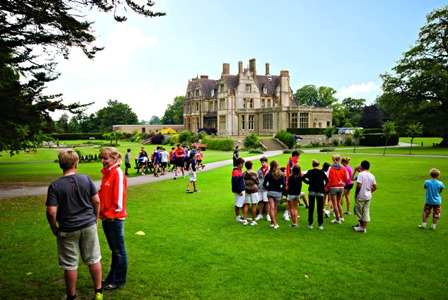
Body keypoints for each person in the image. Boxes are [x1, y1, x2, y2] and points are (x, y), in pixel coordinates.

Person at [46, 149, 103, 300]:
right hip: (88, 225)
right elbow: (96, 201)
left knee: (70, 264)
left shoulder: (55, 186)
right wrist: (95, 219)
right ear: (76, 164)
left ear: (61, 165)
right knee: (93, 259)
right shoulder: (86, 179)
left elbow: (51, 212)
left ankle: (71, 296)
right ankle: (98, 292)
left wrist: (53, 228)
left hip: (67, 229)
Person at [99, 147, 128, 290]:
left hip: (114, 219)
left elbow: (120, 199)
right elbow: (101, 194)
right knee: (114, 249)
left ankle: (119, 280)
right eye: (102, 158)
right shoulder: (107, 173)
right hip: (106, 217)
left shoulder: (117, 173)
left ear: (114, 159)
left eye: (105, 158)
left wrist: (111, 215)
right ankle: (112, 276)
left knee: (119, 250)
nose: (102, 161)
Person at [302, 159, 328, 230]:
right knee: (320, 208)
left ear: (312, 165)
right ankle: (320, 224)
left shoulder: (310, 172)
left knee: (311, 208)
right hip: (320, 191)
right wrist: (324, 186)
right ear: (319, 165)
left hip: (312, 190)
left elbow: (303, 177)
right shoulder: (321, 172)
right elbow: (327, 180)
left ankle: (310, 223)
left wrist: (308, 182)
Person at [353, 160, 377, 233]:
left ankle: (361, 226)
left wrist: (356, 193)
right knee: (366, 211)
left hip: (361, 196)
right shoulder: (372, 175)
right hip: (368, 196)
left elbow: (359, 185)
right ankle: (363, 228)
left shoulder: (361, 174)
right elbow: (375, 187)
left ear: (362, 166)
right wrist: (369, 191)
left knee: (358, 210)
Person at [263, 160, 286, 229]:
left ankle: (272, 222)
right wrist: (281, 190)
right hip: (278, 192)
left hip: (270, 192)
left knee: (272, 208)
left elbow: (264, 184)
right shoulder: (281, 174)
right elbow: (284, 184)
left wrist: (268, 188)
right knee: (275, 208)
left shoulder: (268, 174)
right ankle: (275, 223)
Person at [327, 154, 349, 224]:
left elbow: (328, 178)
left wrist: (327, 187)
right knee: (339, 203)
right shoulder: (343, 168)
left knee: (335, 204)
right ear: (340, 159)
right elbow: (347, 178)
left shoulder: (331, 168)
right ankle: (341, 217)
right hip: (341, 187)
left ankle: (337, 219)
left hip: (333, 187)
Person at [242, 160, 259, 226]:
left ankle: (245, 220)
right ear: (251, 166)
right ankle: (253, 220)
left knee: (246, 204)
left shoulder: (244, 173)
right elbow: (257, 181)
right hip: (254, 190)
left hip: (247, 189)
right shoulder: (254, 173)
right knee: (254, 205)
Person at [256, 157, 270, 221]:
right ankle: (260, 214)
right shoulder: (259, 170)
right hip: (260, 188)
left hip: (267, 188)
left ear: (266, 162)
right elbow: (257, 178)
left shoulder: (269, 169)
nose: (262, 163)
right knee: (260, 201)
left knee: (266, 202)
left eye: (263, 162)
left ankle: (268, 215)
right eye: (261, 162)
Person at [231, 157, 245, 222]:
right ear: (239, 164)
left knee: (241, 203)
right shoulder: (236, 171)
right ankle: (237, 217)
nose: (243, 165)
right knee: (238, 204)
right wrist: (239, 191)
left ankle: (240, 216)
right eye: (242, 164)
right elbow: (235, 182)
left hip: (241, 189)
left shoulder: (239, 170)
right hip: (239, 190)